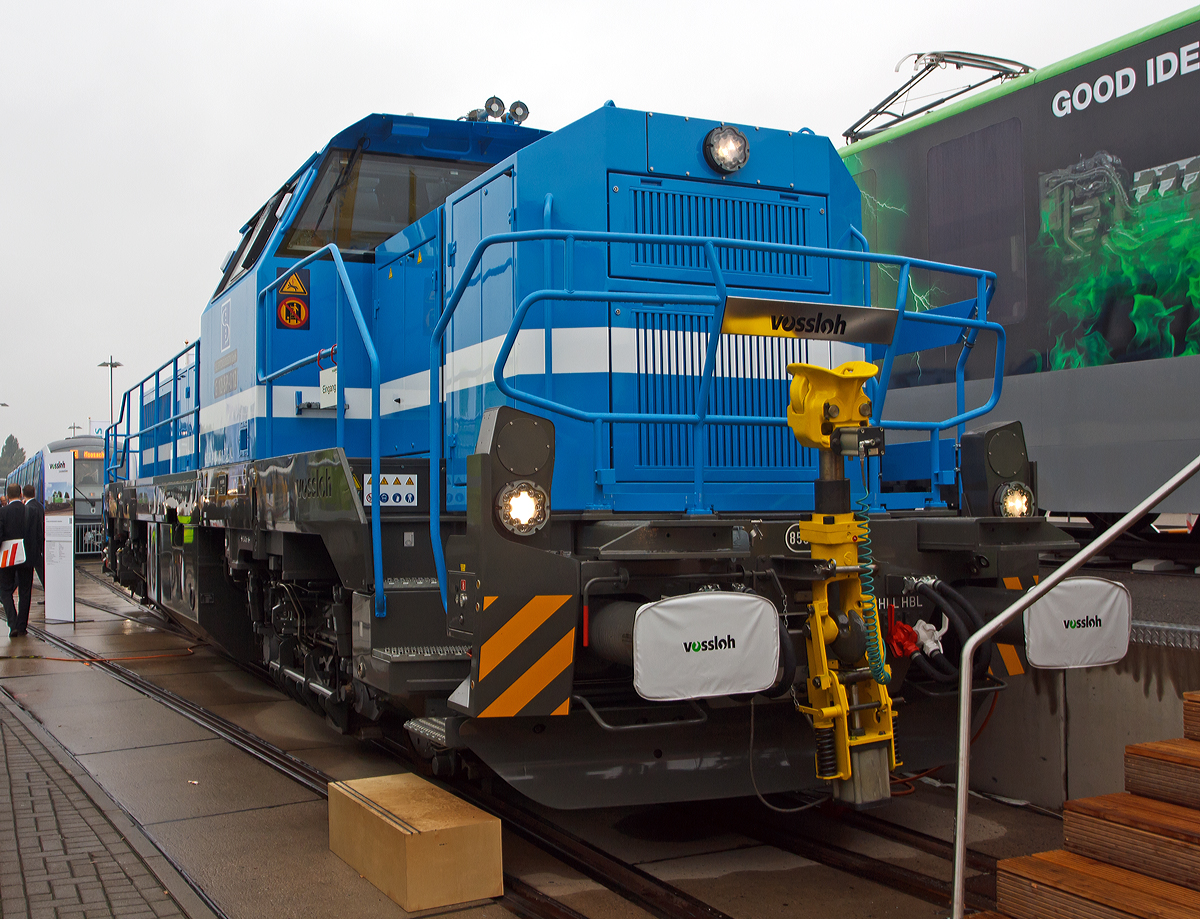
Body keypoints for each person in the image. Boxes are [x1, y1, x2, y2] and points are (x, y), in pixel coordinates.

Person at [0, 483, 34, 636]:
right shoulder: (29, 510)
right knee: (25, 591)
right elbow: (36, 536)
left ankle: (12, 623)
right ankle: (22, 626)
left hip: (7, 557)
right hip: (26, 556)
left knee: (5, 590)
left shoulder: (3, 512)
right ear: (21, 494)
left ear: (7, 496)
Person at [22, 484, 44, 587]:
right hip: (39, 544)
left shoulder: (28, 508)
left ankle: (5, 595)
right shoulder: (39, 506)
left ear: (23, 494)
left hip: (31, 546)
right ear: (34, 493)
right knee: (42, 572)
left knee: (22, 576)